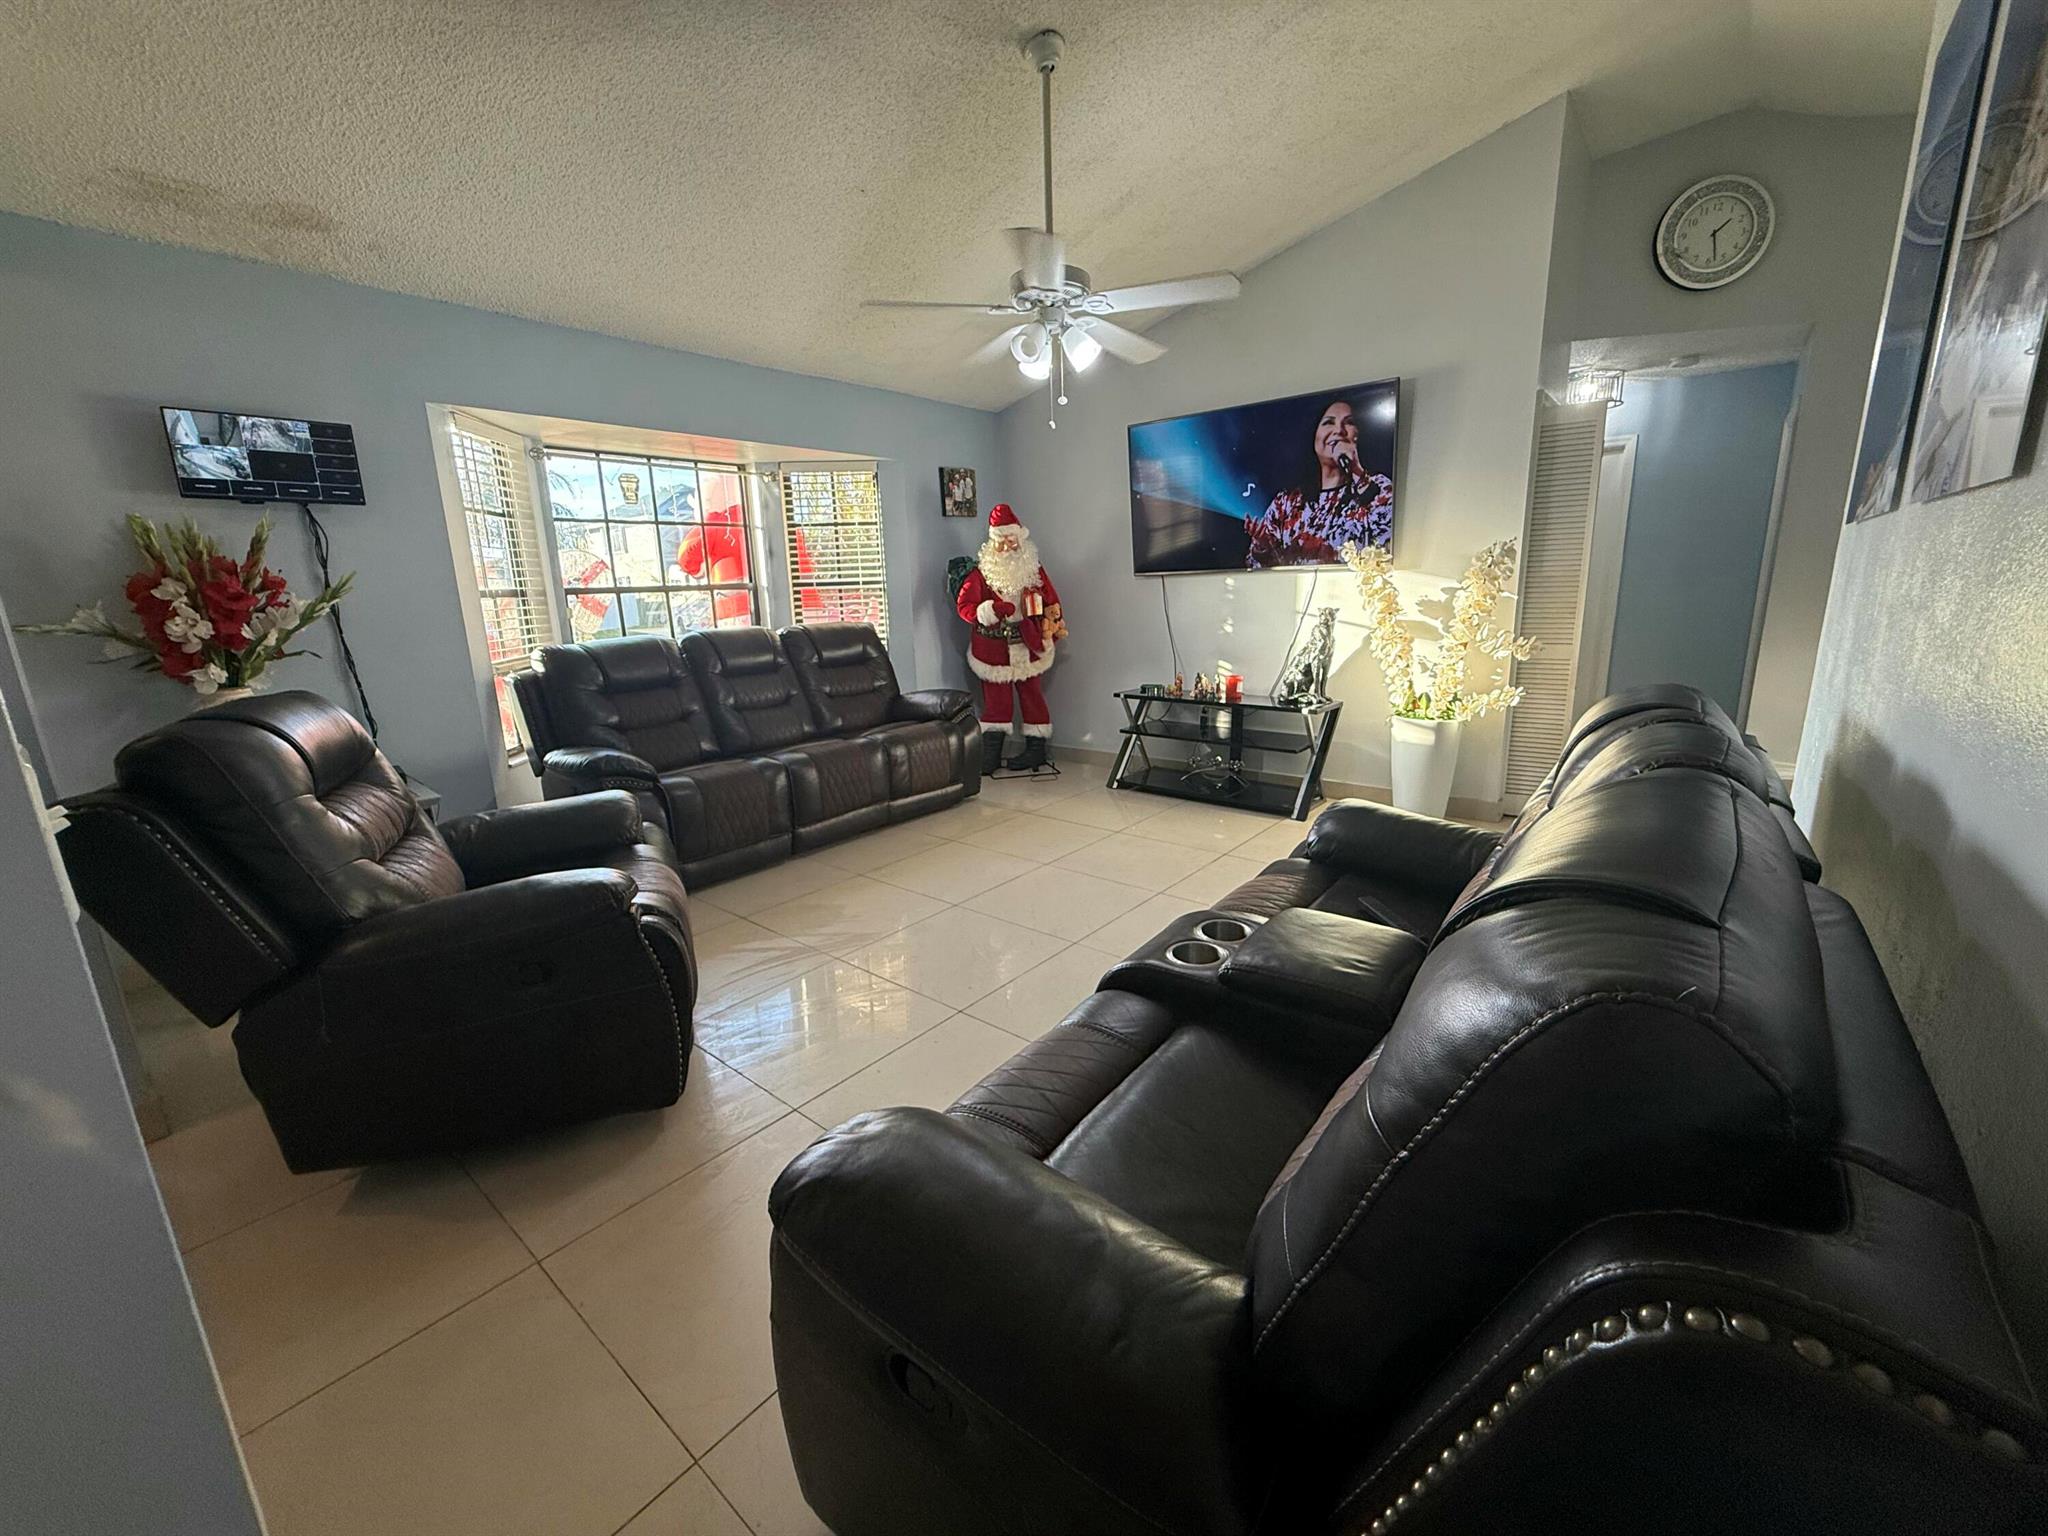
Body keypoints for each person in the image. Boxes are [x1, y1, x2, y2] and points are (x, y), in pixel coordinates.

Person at [955, 502, 1065, 773]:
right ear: (992, 542)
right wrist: (989, 610)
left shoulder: (1033, 570)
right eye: (1001, 540)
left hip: (1028, 643)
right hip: (993, 648)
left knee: (1033, 697)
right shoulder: (980, 574)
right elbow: (965, 606)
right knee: (996, 702)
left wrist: (1053, 624)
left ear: (1020, 538)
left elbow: (1051, 600)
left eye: (1012, 540)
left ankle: (1036, 751)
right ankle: (990, 755)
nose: (1007, 546)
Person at [1242, 396, 1394, 567]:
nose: (1339, 430)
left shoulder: (1378, 487)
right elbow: (1255, 568)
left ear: (1359, 435)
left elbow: (1387, 546)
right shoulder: (1286, 503)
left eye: (1349, 423)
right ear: (1314, 434)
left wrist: (1356, 470)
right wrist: (1263, 549)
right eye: (1329, 422)